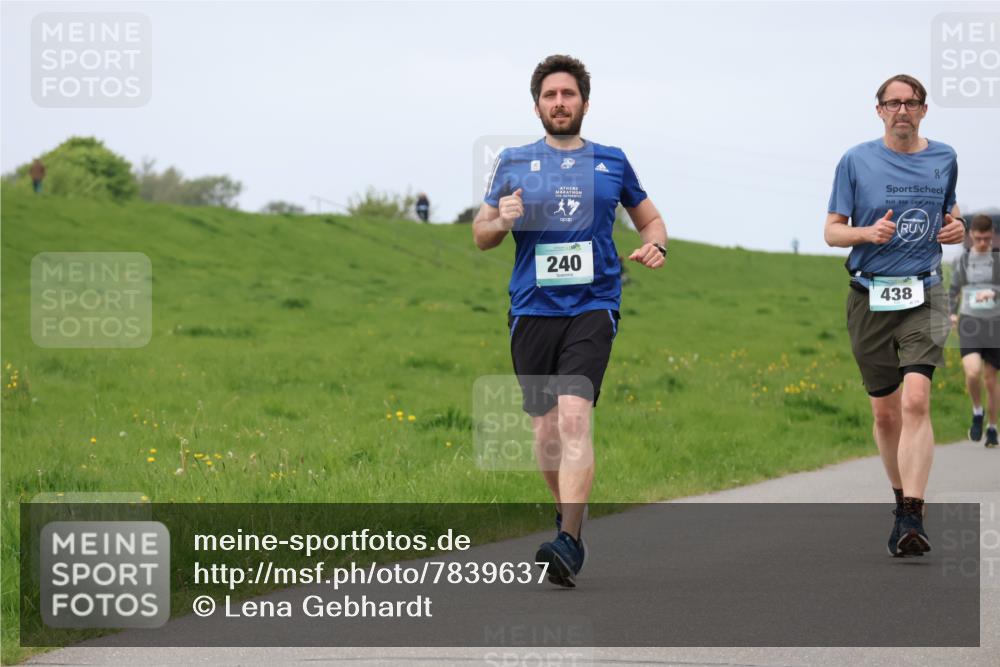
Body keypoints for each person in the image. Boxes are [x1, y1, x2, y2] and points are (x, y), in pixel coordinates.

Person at [472, 54, 667, 587]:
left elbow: (650, 220)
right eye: (550, 96)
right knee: (546, 431)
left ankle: (571, 542)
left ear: (584, 101)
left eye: (569, 94)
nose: (560, 103)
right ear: (537, 105)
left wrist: (657, 246)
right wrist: (500, 219)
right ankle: (567, 517)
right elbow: (482, 234)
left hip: (593, 305)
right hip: (531, 309)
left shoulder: (612, 161)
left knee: (577, 417)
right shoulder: (513, 161)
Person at [824, 74, 965, 557]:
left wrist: (959, 226)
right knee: (885, 414)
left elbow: (951, 213)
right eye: (893, 103)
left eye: (911, 103)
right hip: (869, 295)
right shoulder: (855, 160)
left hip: (924, 292)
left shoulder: (944, 157)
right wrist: (867, 234)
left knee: (916, 401)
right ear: (879, 110)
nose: (902, 111)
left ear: (924, 110)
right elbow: (831, 233)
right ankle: (900, 498)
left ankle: (913, 514)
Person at [949, 214, 1000, 448]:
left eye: (986, 239)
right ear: (971, 235)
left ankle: (992, 427)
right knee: (972, 373)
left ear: (992, 236)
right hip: (969, 322)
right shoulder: (963, 261)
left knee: (990, 381)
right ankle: (977, 412)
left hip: (994, 325)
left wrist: (994, 294)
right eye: (978, 238)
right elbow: (952, 289)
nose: (982, 243)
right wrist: (951, 312)